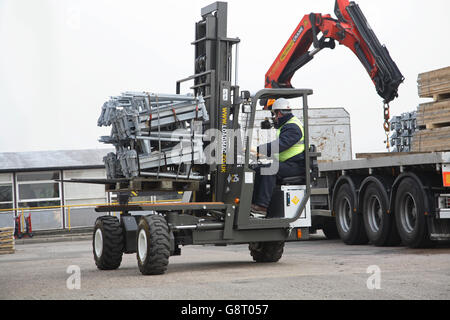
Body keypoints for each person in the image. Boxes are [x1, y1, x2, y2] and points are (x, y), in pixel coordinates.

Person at [251, 98, 306, 216]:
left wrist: (260, 149)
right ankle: (252, 203)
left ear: (279, 113)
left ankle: (261, 206)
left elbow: (281, 145)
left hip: (296, 165)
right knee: (257, 170)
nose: (274, 118)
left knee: (270, 169)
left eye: (274, 114)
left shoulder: (292, 127)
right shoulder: (286, 125)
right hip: (289, 163)